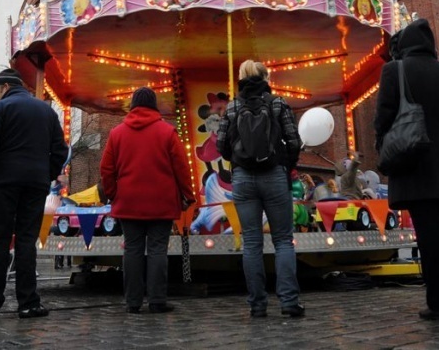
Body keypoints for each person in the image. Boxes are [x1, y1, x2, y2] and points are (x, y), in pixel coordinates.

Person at [373, 19, 439, 320]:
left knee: (430, 238)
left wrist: (388, 144)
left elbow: (383, 118)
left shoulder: (395, 70)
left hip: (413, 164)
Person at [0, 68, 69, 319]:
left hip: (3, 183)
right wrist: (46, 174)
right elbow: (60, 150)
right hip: (35, 184)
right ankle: (28, 302)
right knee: (27, 241)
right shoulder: (46, 111)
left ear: (5, 87)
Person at [217, 59, 304, 318]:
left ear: (241, 77)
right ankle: (289, 301)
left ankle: (257, 305)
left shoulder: (232, 107)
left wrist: (239, 160)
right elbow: (294, 140)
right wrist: (285, 165)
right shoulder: (277, 102)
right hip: (275, 176)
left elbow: (221, 146)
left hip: (243, 178)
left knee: (252, 242)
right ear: (265, 77)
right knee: (283, 241)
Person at [100, 87, 196, 314]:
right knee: (157, 251)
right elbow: (181, 168)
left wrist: (114, 193)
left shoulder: (117, 133)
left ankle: (133, 302)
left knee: (132, 250)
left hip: (128, 201)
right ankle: (157, 300)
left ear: (133, 104)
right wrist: (188, 196)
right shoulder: (167, 132)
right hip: (161, 203)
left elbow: (106, 169)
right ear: (154, 105)